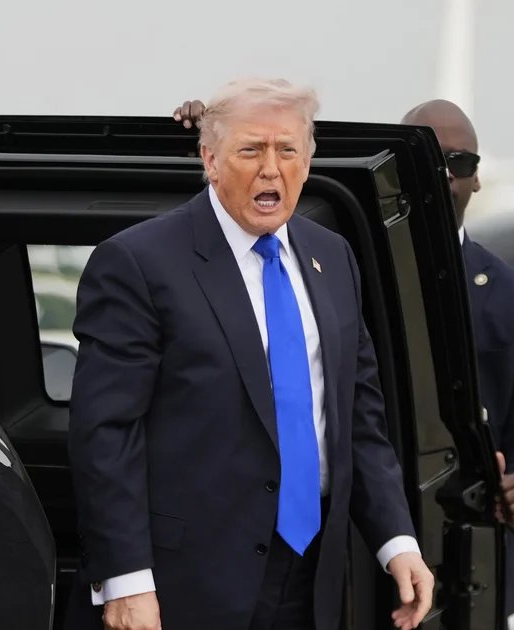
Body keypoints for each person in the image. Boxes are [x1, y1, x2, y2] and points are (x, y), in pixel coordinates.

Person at [66, 77, 433, 630]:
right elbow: (105, 434)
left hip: (311, 576)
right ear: (210, 160)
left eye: (287, 150)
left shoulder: (333, 257)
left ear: (307, 162)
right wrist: (126, 579)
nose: (271, 168)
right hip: (181, 584)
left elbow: (358, 417)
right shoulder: (139, 262)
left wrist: (397, 541)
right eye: (250, 150)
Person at [400, 99, 514, 621]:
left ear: (476, 178)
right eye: (427, 159)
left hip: (471, 563)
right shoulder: (334, 271)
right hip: (358, 553)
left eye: (460, 162)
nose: (444, 175)